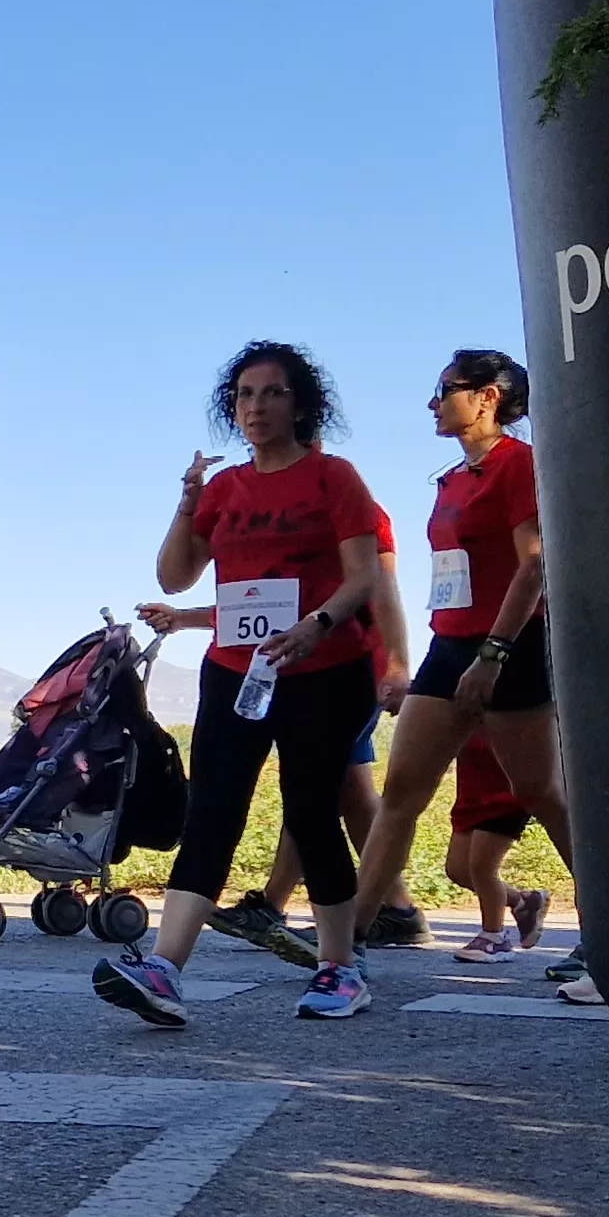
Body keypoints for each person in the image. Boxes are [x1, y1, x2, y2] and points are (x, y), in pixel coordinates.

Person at [95, 341, 404, 1029]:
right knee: (211, 811)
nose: (255, 406)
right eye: (243, 394)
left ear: (301, 404)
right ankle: (164, 969)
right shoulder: (225, 489)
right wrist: (187, 503)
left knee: (311, 811)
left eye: (272, 392)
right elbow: (174, 576)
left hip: (325, 670)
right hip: (237, 673)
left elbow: (365, 577)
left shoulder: (333, 476)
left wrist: (318, 625)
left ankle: (340, 967)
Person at [346, 350, 580, 969]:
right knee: (401, 793)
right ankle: (346, 949)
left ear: (487, 397)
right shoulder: (452, 479)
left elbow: (534, 565)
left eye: (445, 389)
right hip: (448, 646)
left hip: (510, 646)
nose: (433, 403)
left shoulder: (519, 464)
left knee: (538, 790)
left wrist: (494, 654)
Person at [442, 734, 555, 962]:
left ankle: (494, 936)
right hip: (471, 793)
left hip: (507, 794)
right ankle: (523, 901)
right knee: (458, 870)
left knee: (481, 868)